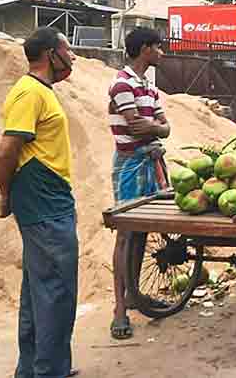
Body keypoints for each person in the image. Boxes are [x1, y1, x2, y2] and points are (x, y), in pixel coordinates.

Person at [0, 27, 80, 378]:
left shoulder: (41, 92)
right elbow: (5, 151)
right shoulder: (28, 93)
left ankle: (34, 369)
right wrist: (4, 194)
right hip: (42, 198)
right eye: (68, 50)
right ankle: (49, 371)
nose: (72, 57)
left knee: (39, 289)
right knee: (56, 292)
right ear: (50, 54)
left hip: (50, 194)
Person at [108, 27, 170, 340]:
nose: (162, 53)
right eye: (158, 47)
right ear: (145, 49)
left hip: (149, 162)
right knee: (125, 235)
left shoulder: (148, 88)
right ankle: (119, 309)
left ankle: (134, 294)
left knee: (142, 231)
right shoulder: (122, 84)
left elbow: (165, 126)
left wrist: (153, 128)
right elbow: (134, 125)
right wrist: (155, 128)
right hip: (130, 166)